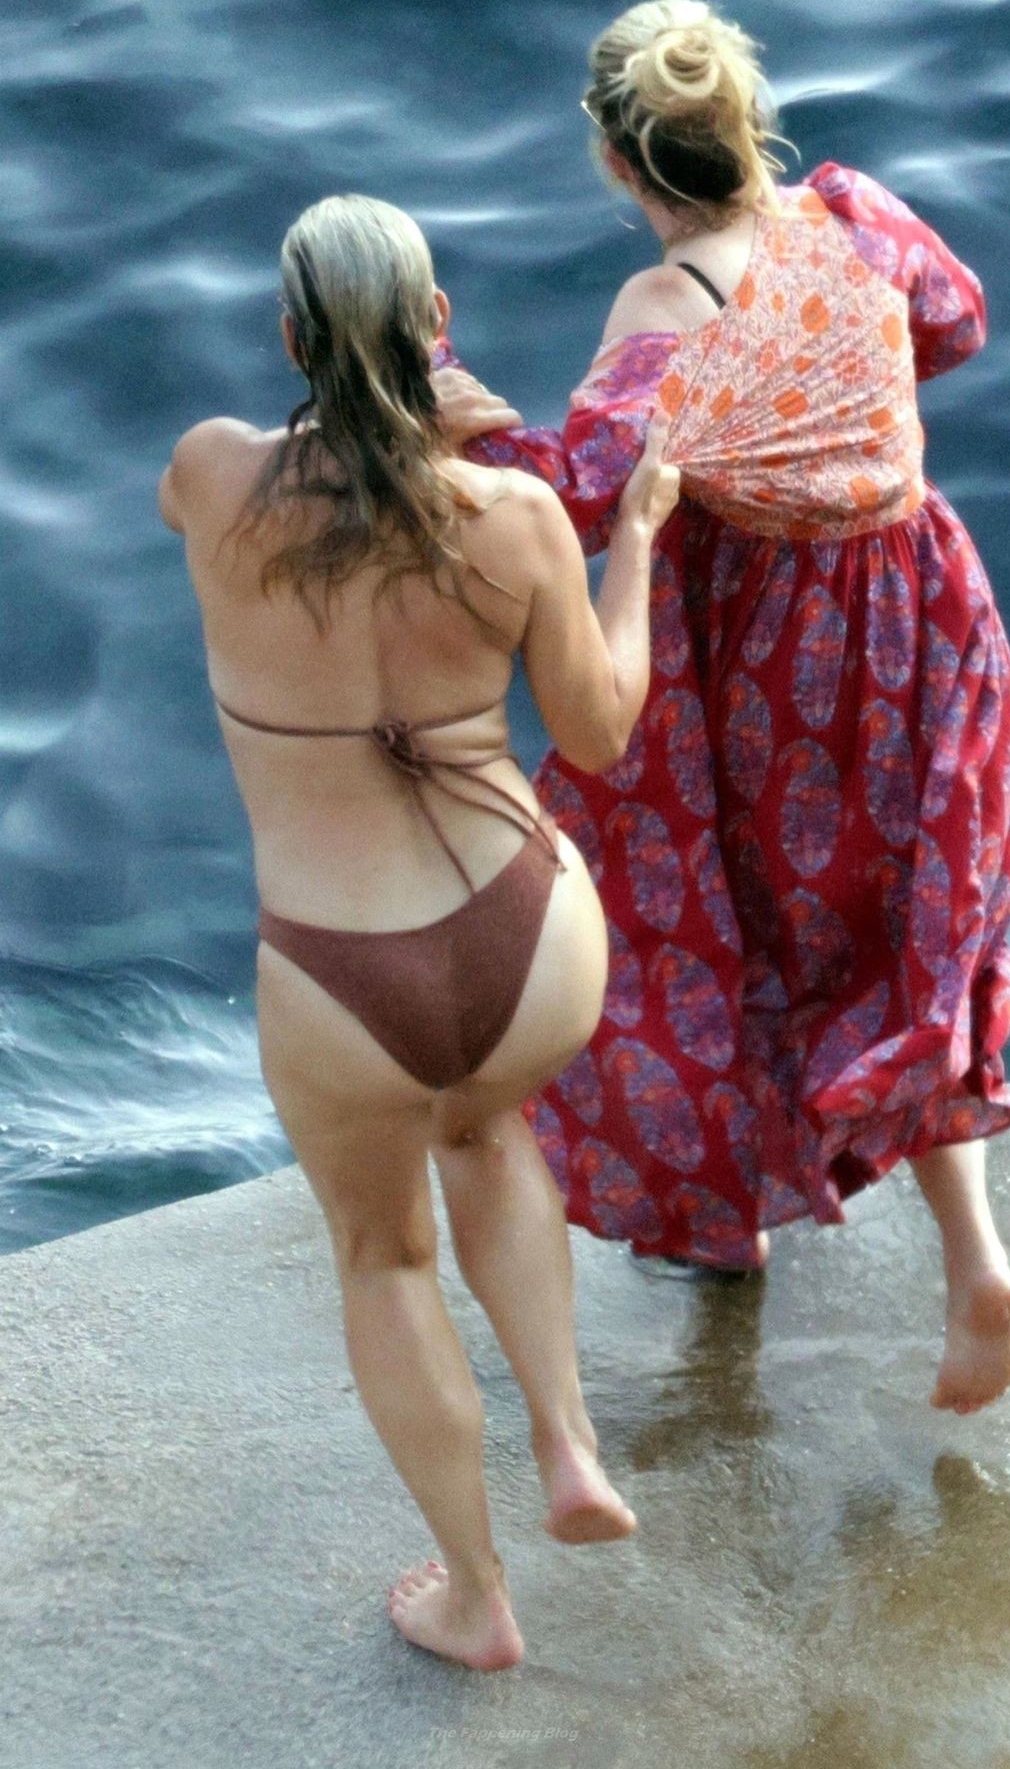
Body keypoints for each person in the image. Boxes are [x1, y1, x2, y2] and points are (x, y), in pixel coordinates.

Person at [434, 0, 1010, 1415]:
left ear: (613, 158)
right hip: (925, 612)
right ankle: (975, 1261)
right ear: (745, 119)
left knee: (721, 926)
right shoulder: (857, 217)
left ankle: (724, 1222)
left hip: (780, 661)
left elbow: (579, 498)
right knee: (909, 947)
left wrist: (455, 418)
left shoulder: (668, 308)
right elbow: (954, 319)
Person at [158, 193, 679, 1670]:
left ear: (290, 340)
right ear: (440, 328)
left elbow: (224, 499)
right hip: (528, 940)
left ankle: (476, 1597)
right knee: (487, 1131)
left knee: (385, 1258)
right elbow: (600, 731)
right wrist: (634, 543)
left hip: (341, 979)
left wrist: (377, 429)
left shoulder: (212, 475)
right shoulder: (513, 518)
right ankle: (569, 1446)